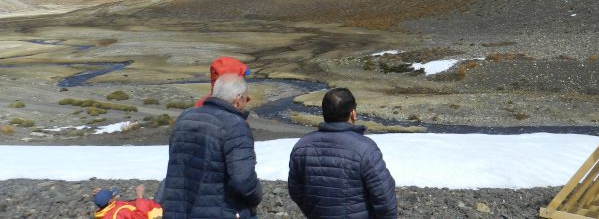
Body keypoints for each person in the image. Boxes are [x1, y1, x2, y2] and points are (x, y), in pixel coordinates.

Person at [162, 73, 263, 218]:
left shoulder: (185, 117)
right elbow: (243, 181)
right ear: (239, 99)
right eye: (246, 99)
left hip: (178, 210)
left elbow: (176, 165)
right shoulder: (235, 125)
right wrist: (257, 196)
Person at [288, 87, 397, 219]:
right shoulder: (366, 148)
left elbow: (295, 190)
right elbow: (384, 198)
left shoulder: (301, 146)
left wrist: (314, 212)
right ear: (353, 114)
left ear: (324, 113)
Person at [93, 184, 163, 219]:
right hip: (158, 212)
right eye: (113, 196)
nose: (115, 197)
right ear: (110, 201)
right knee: (166, 182)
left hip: (150, 206)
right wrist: (139, 196)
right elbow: (141, 217)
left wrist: (101, 194)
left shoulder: (103, 213)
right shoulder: (121, 212)